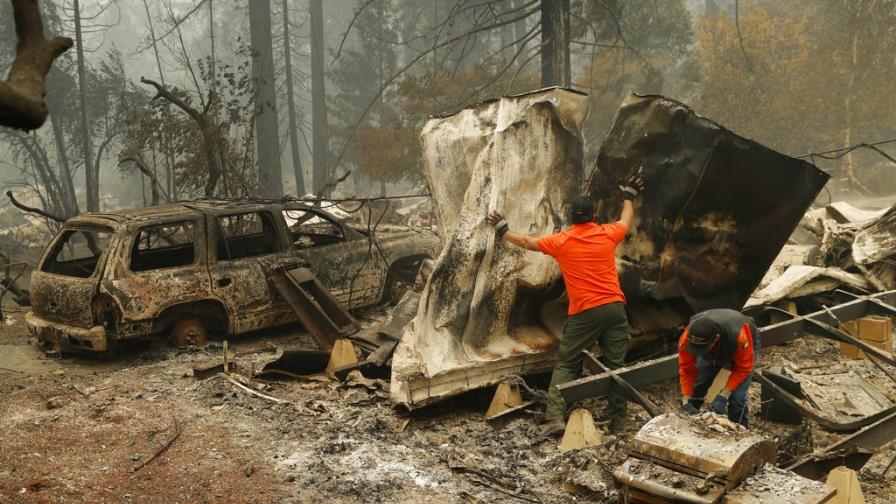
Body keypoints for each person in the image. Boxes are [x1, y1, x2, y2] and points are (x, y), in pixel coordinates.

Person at [486, 175, 644, 435]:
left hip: (585, 312)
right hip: (615, 308)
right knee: (616, 367)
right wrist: (628, 195)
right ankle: (619, 422)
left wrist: (503, 229)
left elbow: (528, 243)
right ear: (593, 216)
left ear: (571, 217)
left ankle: (555, 418)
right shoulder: (607, 234)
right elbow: (626, 220)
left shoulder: (562, 241)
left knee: (567, 364)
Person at [678, 308, 760, 427]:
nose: (697, 351)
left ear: (715, 339)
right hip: (712, 350)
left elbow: (743, 369)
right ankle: (692, 420)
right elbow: (686, 369)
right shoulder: (687, 338)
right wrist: (686, 398)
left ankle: (740, 430)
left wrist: (724, 394)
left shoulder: (739, 337)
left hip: (742, 342)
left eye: (701, 348)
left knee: (737, 397)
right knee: (699, 384)